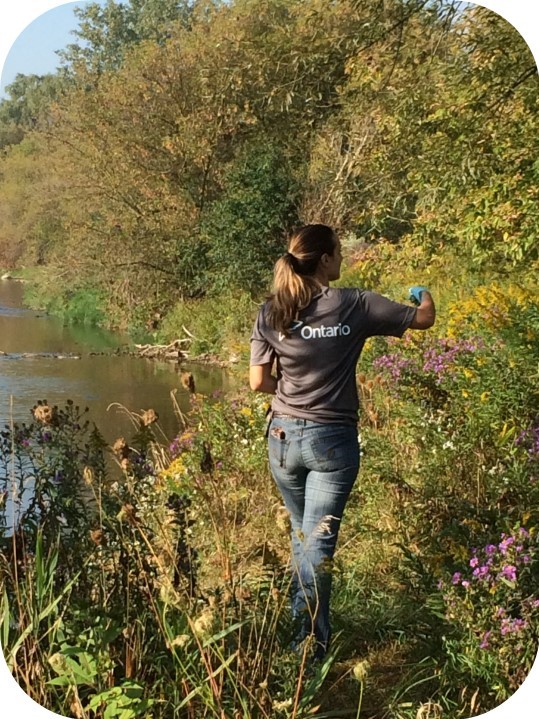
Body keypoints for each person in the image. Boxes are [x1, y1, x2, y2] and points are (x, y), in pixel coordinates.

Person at [249, 224, 435, 661]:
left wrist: (291, 390)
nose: (342, 258)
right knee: (318, 543)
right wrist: (422, 294)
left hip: (281, 437)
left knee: (302, 536)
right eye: (338, 251)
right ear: (327, 260)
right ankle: (308, 651)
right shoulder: (355, 303)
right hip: (331, 441)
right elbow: (423, 318)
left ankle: (301, 631)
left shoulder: (271, 311)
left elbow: (258, 381)